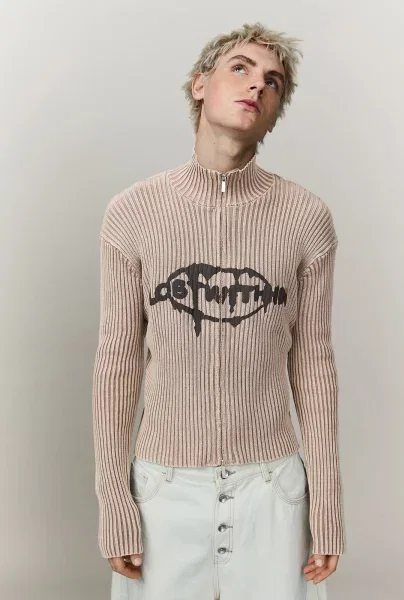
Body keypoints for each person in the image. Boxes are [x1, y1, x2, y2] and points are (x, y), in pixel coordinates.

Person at [92, 21, 346, 600]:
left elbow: (314, 365)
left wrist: (327, 504)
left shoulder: (306, 218)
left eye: (273, 82)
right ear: (199, 84)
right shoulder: (133, 213)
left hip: (272, 490)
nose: (257, 85)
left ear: (275, 113)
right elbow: (116, 364)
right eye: (241, 68)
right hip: (163, 490)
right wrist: (114, 502)